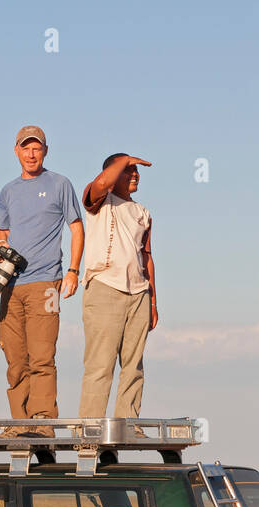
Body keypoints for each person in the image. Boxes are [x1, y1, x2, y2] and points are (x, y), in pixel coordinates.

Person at [0, 126, 82, 435]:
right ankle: (21, 423)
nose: (31, 154)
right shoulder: (7, 192)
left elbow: (76, 227)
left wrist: (73, 270)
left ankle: (42, 420)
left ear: (45, 150)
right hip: (10, 284)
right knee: (15, 357)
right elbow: (2, 232)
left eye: (36, 148)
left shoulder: (60, 184)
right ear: (16, 151)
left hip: (47, 281)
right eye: (25, 148)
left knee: (42, 355)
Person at [78, 152, 157, 420]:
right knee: (100, 364)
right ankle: (90, 430)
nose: (134, 174)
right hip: (104, 286)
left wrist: (153, 302)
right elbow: (100, 184)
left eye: (136, 171)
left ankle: (127, 425)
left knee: (134, 366)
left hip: (138, 293)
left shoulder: (142, 212)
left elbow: (147, 256)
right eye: (127, 170)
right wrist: (123, 159)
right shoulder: (101, 201)